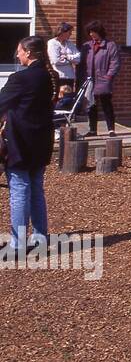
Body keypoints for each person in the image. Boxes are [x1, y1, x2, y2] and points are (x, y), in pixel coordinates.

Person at [0, 36, 57, 252]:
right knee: (35, 189)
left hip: (19, 143)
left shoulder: (20, 79)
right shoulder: (51, 77)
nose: (17, 55)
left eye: (19, 51)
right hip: (41, 141)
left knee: (19, 190)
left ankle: (18, 244)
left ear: (29, 53)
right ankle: (40, 238)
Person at [80, 20, 120, 137]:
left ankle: (111, 129)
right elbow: (81, 62)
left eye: (93, 32)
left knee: (106, 104)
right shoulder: (86, 46)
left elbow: (115, 62)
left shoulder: (110, 45)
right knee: (91, 105)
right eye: (90, 32)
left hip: (103, 79)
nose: (91, 34)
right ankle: (93, 129)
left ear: (99, 32)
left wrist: (109, 76)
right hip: (89, 80)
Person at [47, 22, 79, 89]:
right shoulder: (52, 43)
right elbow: (55, 61)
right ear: (62, 32)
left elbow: (78, 58)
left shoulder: (70, 44)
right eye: (69, 32)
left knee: (68, 98)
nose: (71, 34)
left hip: (70, 77)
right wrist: (71, 60)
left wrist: (67, 57)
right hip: (59, 77)